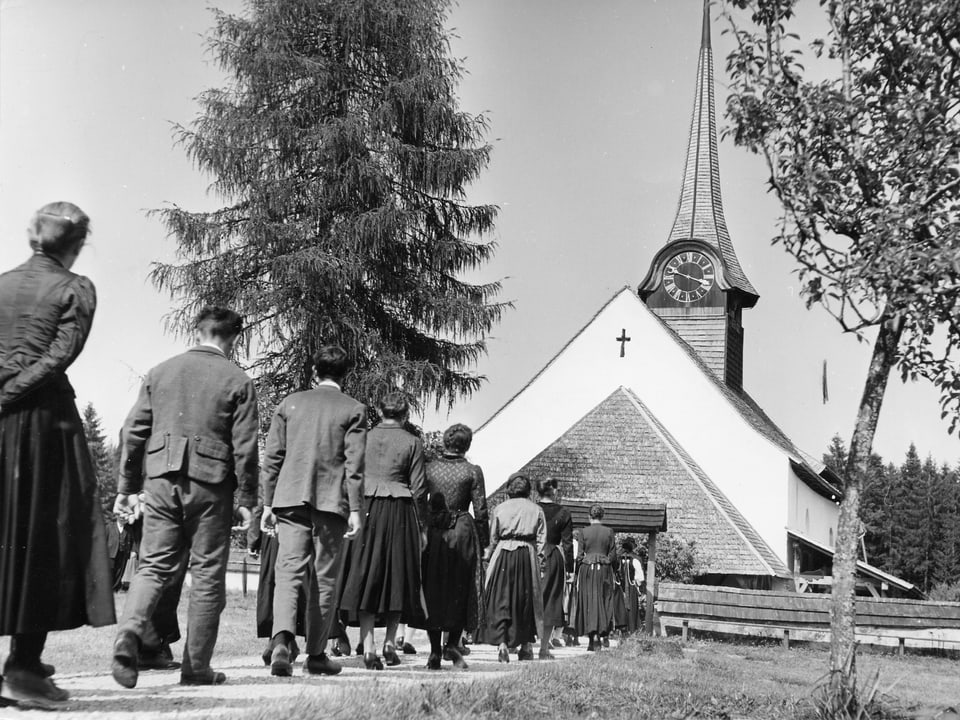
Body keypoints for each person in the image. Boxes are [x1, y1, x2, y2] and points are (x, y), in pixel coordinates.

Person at [0, 201, 115, 709]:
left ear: (32, 235)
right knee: (44, 535)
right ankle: (24, 668)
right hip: (42, 421)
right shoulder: (75, 287)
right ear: (77, 242)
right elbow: (58, 355)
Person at [111, 306, 259, 688]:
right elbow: (245, 448)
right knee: (208, 575)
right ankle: (196, 669)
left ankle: (129, 634)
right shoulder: (238, 379)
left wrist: (127, 488)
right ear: (235, 338)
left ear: (196, 330)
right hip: (211, 485)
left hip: (160, 478)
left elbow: (133, 432)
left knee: (152, 566)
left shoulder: (160, 371)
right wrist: (247, 497)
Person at [260, 345, 366, 678]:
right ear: (344, 374)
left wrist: (267, 503)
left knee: (288, 572)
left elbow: (273, 456)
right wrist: (357, 509)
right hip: (331, 503)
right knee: (324, 578)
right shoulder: (354, 409)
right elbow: (355, 465)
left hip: (289, 498)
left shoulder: (290, 403)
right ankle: (316, 654)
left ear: (314, 371)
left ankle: (281, 641)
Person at [336, 392, 426, 671]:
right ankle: (389, 642)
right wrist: (421, 527)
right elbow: (419, 489)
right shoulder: (413, 442)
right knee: (397, 576)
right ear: (406, 414)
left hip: (366, 509)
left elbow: (349, 475)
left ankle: (369, 645)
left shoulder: (363, 438)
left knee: (366, 575)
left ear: (378, 410)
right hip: (399, 511)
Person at [418, 423, 488, 670]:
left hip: (435, 531)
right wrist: (485, 542)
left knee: (434, 587)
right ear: (467, 445)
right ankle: (452, 645)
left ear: (445, 442)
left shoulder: (429, 468)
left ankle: (435, 651)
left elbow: (419, 499)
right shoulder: (473, 471)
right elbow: (480, 511)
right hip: (462, 530)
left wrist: (423, 525)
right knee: (462, 587)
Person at [481, 473, 546, 663]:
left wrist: (488, 559)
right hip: (526, 554)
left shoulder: (499, 508)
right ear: (528, 490)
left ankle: (502, 645)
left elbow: (492, 538)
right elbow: (541, 541)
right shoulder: (536, 510)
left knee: (502, 599)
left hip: (503, 554)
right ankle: (525, 646)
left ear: (509, 489)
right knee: (525, 600)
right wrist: (541, 564)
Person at [570, 504, 618, 651]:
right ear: (602, 516)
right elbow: (613, 555)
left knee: (588, 601)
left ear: (589, 516)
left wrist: (577, 573)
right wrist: (608, 563)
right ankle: (601, 634)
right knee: (603, 601)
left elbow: (579, 556)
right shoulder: (609, 531)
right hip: (604, 569)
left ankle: (592, 637)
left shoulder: (583, 532)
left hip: (587, 569)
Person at [536, 477, 573, 660]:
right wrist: (570, 569)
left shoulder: (532, 509)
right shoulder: (564, 512)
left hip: (533, 553)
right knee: (551, 601)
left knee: (530, 598)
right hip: (553, 555)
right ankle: (544, 648)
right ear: (554, 491)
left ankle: (525, 645)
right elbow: (567, 544)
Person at [617, 537, 645, 634]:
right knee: (632, 608)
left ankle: (620, 630)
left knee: (620, 607)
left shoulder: (618, 558)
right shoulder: (636, 559)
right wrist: (638, 586)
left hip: (619, 588)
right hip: (632, 586)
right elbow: (640, 577)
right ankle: (632, 629)